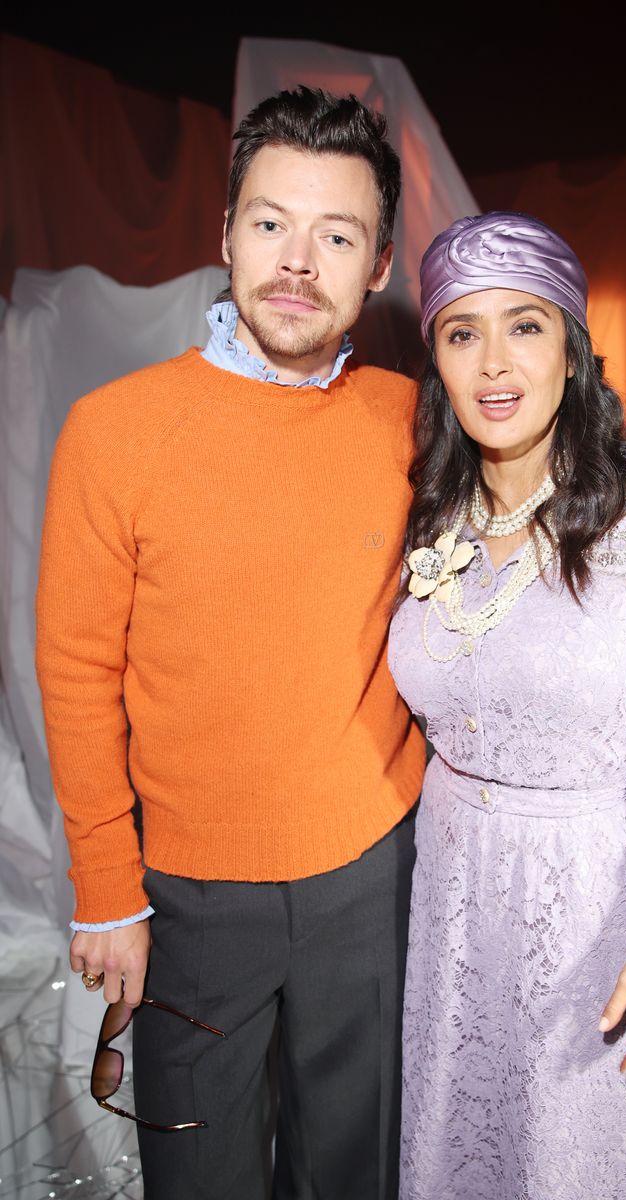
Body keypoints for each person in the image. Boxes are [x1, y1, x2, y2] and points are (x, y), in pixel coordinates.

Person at [35, 86, 426, 1200]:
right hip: (186, 889)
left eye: (335, 235)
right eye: (269, 223)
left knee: (354, 1174)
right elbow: (74, 668)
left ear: (380, 264)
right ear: (223, 235)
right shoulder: (115, 429)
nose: (296, 261)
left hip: (370, 871)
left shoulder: (410, 418)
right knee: (196, 1173)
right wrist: (107, 885)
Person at [387, 211, 626, 1200]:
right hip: (447, 897)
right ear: (438, 361)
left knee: (570, 1163)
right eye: (462, 332)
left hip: (591, 903)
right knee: (451, 1155)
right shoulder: (427, 513)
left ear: (574, 349)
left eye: (525, 326)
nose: (494, 362)